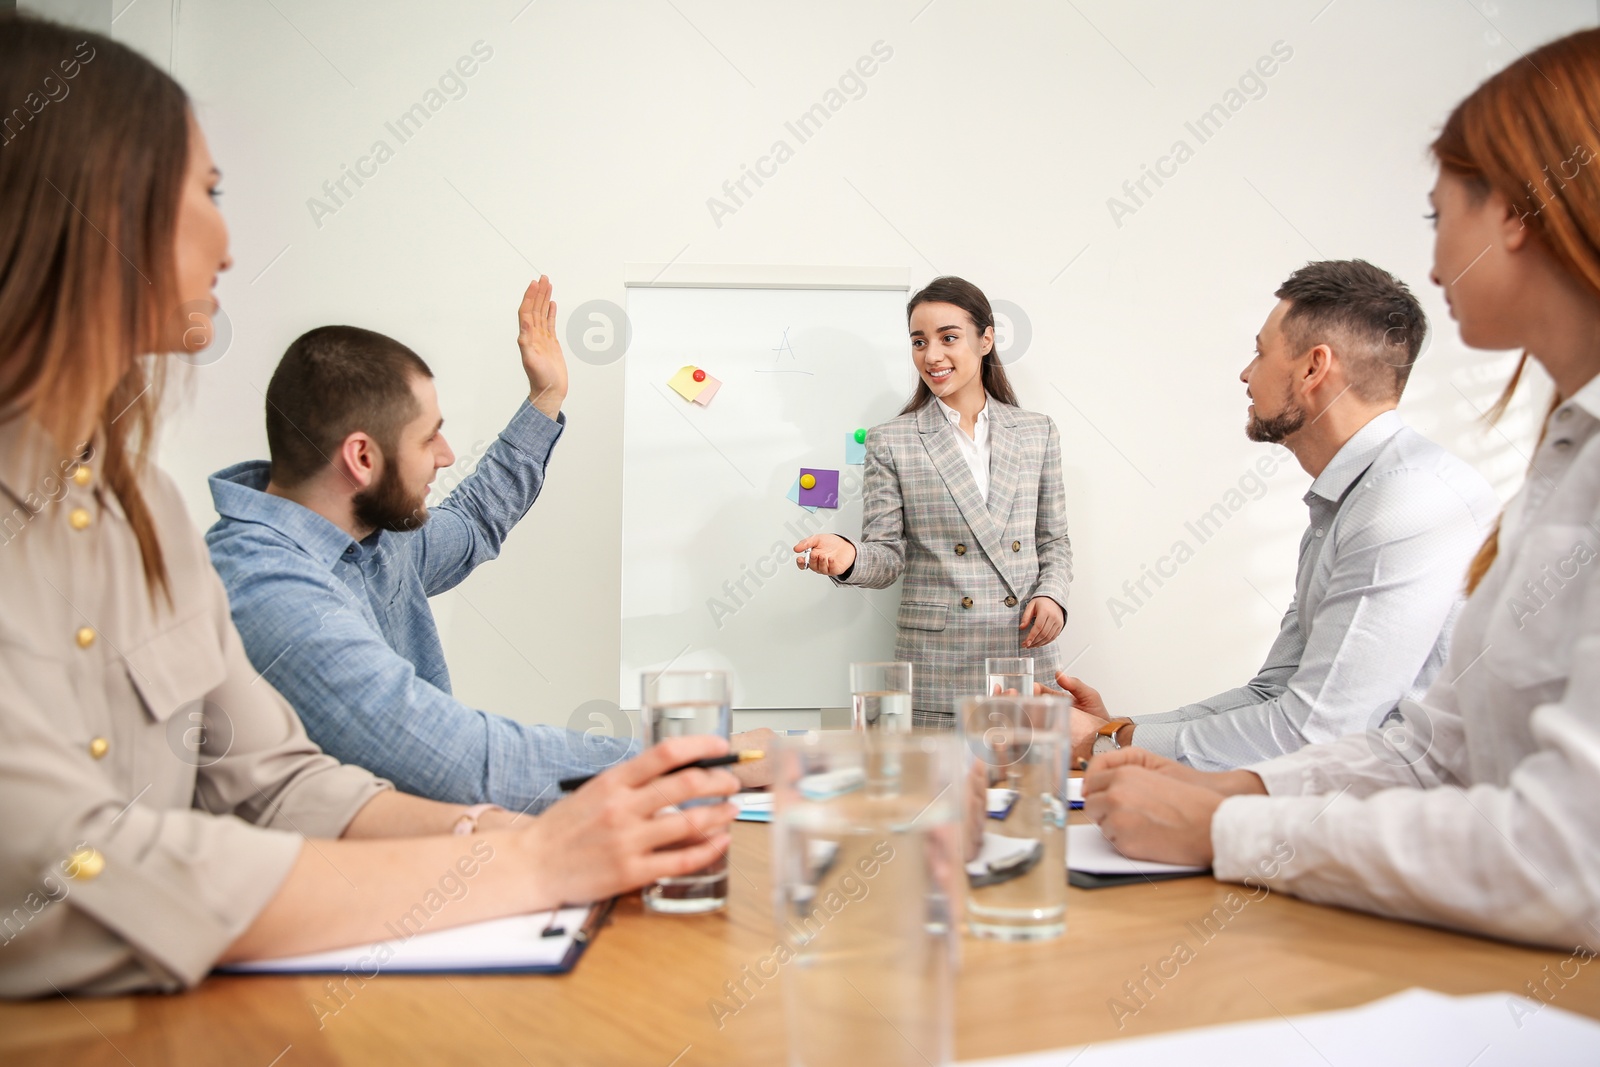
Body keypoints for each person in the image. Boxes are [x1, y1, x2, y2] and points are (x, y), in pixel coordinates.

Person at [0, 14, 737, 998]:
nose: (227, 239)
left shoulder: (156, 516)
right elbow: (66, 865)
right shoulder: (266, 584)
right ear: (94, 206)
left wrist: (511, 839)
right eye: (207, 192)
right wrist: (547, 851)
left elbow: (277, 779)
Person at [1082, 26, 1600, 951]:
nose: (1435, 265)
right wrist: (1164, 763)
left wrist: (1216, 821)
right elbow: (1427, 750)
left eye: (1444, 218)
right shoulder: (1555, 463)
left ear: (1519, 212)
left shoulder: (1414, 499)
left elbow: (1574, 855)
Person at [205, 299, 771, 813]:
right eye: (430, 439)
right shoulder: (266, 588)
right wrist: (706, 758)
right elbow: (457, 759)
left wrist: (544, 400)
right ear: (362, 457)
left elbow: (474, 520)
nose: (446, 455)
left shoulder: (369, 537)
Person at [1052, 261, 1498, 770]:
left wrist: (1105, 743)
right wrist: (1116, 731)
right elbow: (1273, 694)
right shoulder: (1346, 499)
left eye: (1260, 352)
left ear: (1313, 368)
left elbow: (1314, 734)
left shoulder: (1405, 502)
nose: (1246, 373)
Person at [794, 276, 1072, 728]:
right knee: (933, 793)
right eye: (919, 341)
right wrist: (848, 558)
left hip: (1022, 649)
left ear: (986, 339)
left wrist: (1052, 596)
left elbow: (1054, 539)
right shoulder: (891, 440)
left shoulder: (1037, 431)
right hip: (939, 662)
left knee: (1025, 790)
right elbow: (885, 556)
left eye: (949, 338)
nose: (932, 355)